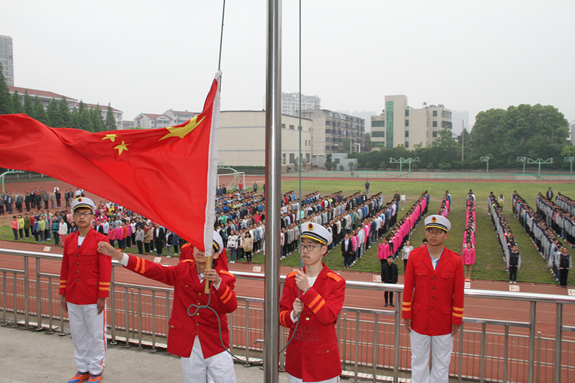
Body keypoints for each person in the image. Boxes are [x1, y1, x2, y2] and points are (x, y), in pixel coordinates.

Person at [97, 232, 238, 383]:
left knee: (224, 379)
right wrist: (118, 256)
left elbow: (230, 306)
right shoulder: (182, 270)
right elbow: (152, 270)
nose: (201, 250)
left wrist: (218, 284)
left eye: (208, 248)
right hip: (189, 342)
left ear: (216, 255)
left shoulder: (224, 279)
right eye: (198, 246)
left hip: (215, 343)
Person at [280, 222, 346, 383]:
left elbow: (328, 317)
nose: (305, 251)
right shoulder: (291, 279)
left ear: (323, 250)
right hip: (297, 360)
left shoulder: (335, 282)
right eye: (302, 246)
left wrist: (307, 291)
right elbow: (281, 317)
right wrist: (293, 314)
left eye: (311, 246)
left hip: (323, 362)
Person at [402, 215, 464, 383]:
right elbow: (408, 288)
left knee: (442, 364)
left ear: (446, 236)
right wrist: (406, 315)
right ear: (425, 233)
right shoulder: (414, 257)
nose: (433, 235)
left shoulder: (456, 260)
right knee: (418, 362)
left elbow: (458, 292)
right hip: (419, 319)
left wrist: (456, 318)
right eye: (430, 231)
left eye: (438, 232)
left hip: (444, 321)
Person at [59, 197, 112, 383]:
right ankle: (83, 368)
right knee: (78, 334)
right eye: (78, 214)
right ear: (72, 217)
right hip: (73, 294)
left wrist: (102, 296)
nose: (82, 217)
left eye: (86, 213)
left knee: (97, 335)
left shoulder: (101, 240)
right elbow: (65, 268)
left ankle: (96, 370)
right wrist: (63, 293)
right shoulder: (70, 240)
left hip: (92, 296)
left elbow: (105, 271)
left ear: (92, 216)